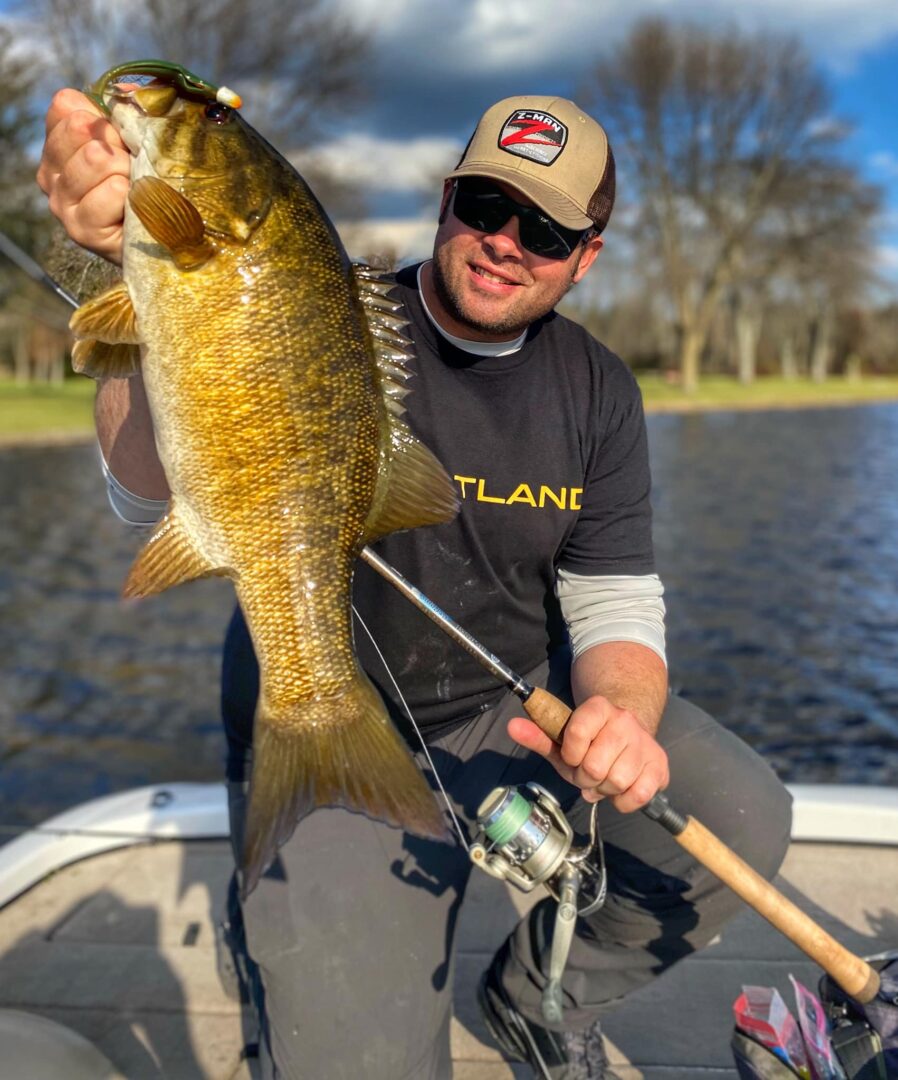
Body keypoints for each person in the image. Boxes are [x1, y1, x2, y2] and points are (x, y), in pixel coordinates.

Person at [38, 88, 792, 1080]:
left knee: (744, 814)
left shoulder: (600, 387)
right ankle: (276, 903)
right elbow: (144, 503)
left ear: (587, 252)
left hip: (514, 710)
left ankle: (536, 997)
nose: (504, 240)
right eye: (484, 204)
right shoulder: (311, 299)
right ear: (445, 202)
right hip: (324, 702)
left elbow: (613, 596)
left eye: (546, 227)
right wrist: (102, 254)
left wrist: (616, 713)